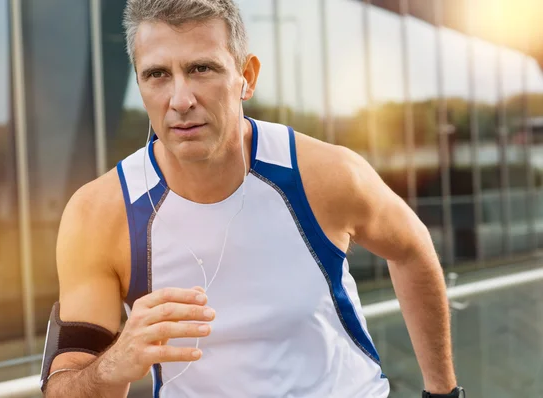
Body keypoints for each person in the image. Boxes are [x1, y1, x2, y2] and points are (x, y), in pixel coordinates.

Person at [40, 0, 464, 397]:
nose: (181, 100)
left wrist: (443, 392)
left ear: (247, 76)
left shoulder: (323, 174)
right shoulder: (99, 213)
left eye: (201, 69)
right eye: (157, 75)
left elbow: (411, 249)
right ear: (139, 81)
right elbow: (65, 382)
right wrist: (115, 364)